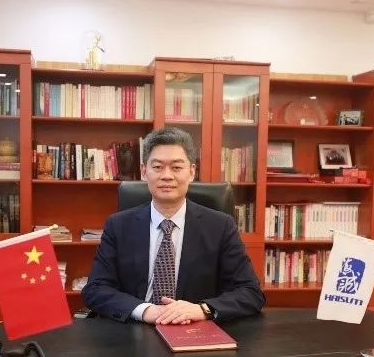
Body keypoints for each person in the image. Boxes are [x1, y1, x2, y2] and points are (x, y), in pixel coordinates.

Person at [82, 127, 265, 325]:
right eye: (158, 167)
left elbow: (251, 292)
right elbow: (95, 289)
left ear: (192, 172)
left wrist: (201, 309)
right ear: (144, 172)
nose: (167, 176)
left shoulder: (220, 226)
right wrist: (145, 310)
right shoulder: (118, 226)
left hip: (195, 330)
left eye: (176, 167)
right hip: (136, 328)